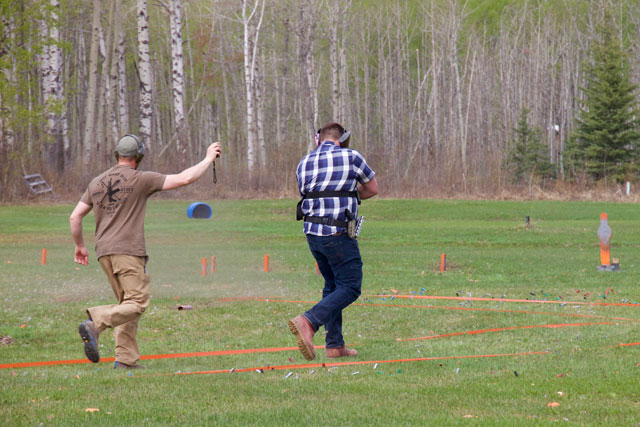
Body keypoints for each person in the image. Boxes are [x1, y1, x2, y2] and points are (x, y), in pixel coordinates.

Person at [70, 134, 222, 369]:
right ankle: (96, 322)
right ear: (138, 156)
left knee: (126, 305)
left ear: (118, 154)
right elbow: (185, 178)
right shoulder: (140, 179)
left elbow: (75, 217)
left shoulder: (96, 182)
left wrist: (80, 246)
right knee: (137, 303)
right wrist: (208, 158)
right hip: (128, 251)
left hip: (104, 253)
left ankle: (126, 360)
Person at [289, 122, 378, 360]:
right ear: (343, 139)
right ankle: (309, 321)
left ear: (318, 139)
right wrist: (351, 194)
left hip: (313, 234)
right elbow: (372, 188)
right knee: (350, 286)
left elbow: (310, 194)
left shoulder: (304, 162)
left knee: (332, 286)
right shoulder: (352, 156)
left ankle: (335, 345)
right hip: (337, 233)